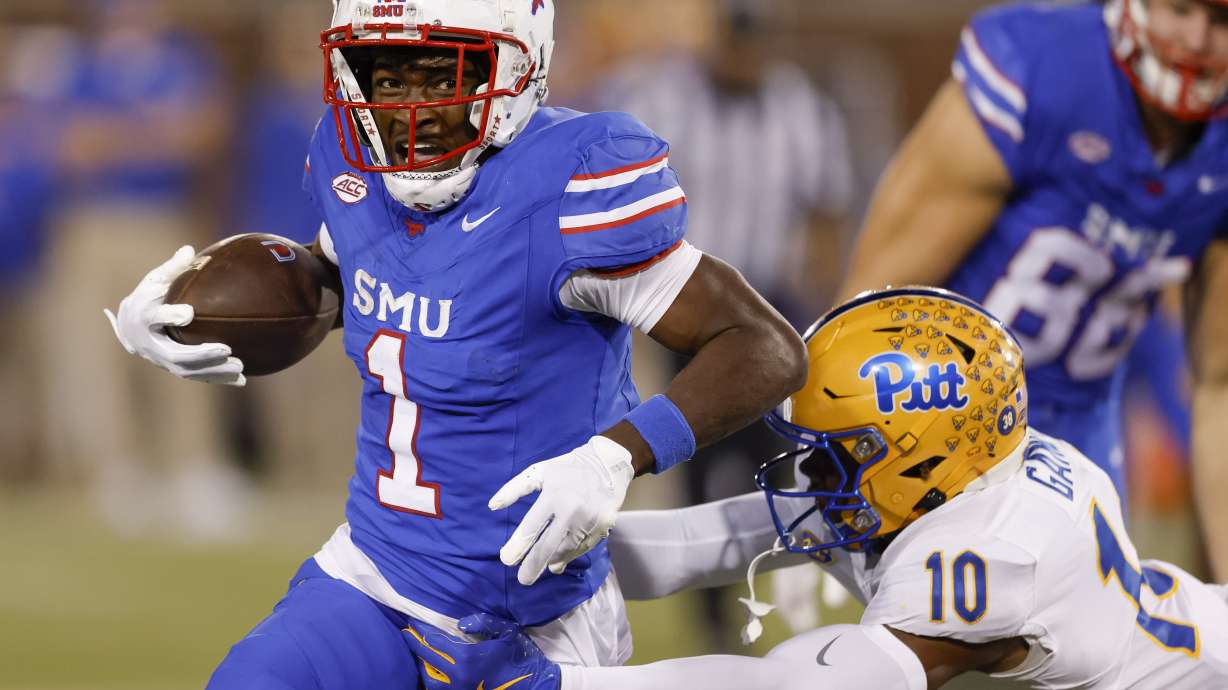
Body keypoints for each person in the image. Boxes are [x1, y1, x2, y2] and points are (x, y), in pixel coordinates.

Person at [104, 1, 807, 688]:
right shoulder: (353, 168)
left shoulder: (566, 192)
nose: (413, 108)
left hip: (530, 615)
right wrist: (190, 310)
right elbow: (346, 275)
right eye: (389, 78)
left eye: (444, 78)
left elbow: (764, 346)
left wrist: (616, 455)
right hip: (370, 576)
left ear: (515, 69)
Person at [405, 286, 1228, 690]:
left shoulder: (989, 557)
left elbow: (797, 684)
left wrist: (570, 687)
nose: (814, 472)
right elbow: (712, 540)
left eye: (841, 452)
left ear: (922, 453)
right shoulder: (958, 472)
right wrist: (510, 555)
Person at [835, 0, 1228, 577]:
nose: (1197, 37)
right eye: (1180, 8)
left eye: (1223, 21)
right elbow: (870, 303)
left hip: (1080, 435)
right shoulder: (1045, 66)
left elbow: (1219, 385)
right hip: (948, 411)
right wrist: (847, 456)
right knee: (931, 642)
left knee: (1100, 653)